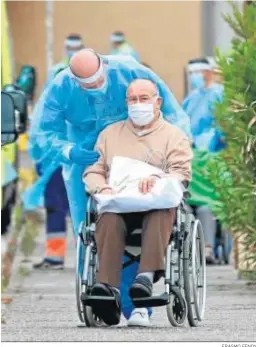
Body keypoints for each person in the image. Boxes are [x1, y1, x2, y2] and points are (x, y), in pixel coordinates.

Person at [27, 48, 191, 326]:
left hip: (152, 175)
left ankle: (139, 301)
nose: (94, 88)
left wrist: (165, 174)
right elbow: (43, 133)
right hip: (93, 158)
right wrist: (69, 152)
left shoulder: (131, 73)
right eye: (86, 85)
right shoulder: (62, 89)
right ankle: (107, 295)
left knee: (156, 214)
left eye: (143, 99)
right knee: (99, 226)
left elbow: (178, 148)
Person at [83, 79, 193, 326]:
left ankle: (145, 278)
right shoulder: (110, 135)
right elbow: (94, 170)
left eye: (144, 98)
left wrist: (158, 179)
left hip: (155, 206)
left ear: (158, 102)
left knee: (161, 211)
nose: (138, 104)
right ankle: (107, 290)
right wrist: (102, 186)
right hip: (119, 204)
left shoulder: (173, 136)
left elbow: (181, 173)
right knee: (108, 218)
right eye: (133, 99)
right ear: (126, 103)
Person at [32, 34, 84, 269]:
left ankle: (87, 255)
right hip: (55, 160)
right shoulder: (56, 82)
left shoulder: (82, 96)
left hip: (77, 158)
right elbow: (41, 129)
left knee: (82, 208)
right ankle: (55, 256)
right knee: (55, 205)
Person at [182, 57, 225, 264]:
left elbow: (225, 125)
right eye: (191, 74)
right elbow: (182, 123)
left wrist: (209, 141)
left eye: (197, 73)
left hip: (212, 156)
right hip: (190, 157)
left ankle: (208, 247)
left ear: (208, 72)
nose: (194, 77)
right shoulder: (191, 98)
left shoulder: (219, 95)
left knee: (207, 205)